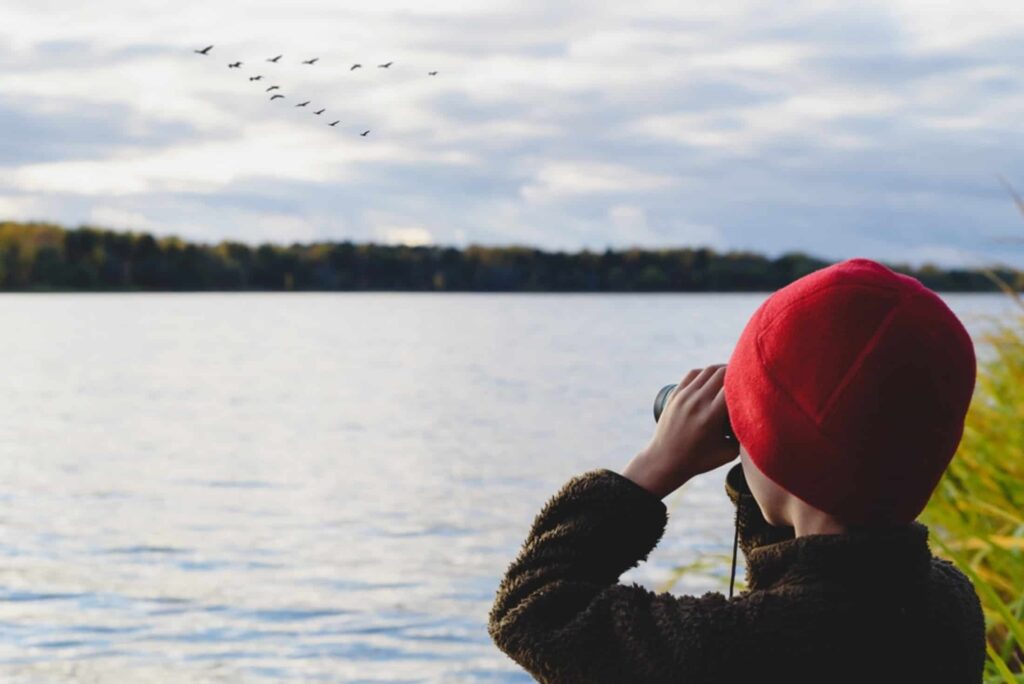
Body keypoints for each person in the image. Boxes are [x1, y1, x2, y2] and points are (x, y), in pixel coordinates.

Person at [487, 258, 986, 684]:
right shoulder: (949, 603)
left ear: (775, 448)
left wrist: (655, 466)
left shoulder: (733, 648)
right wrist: (773, 448)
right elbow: (815, 575)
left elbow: (532, 610)